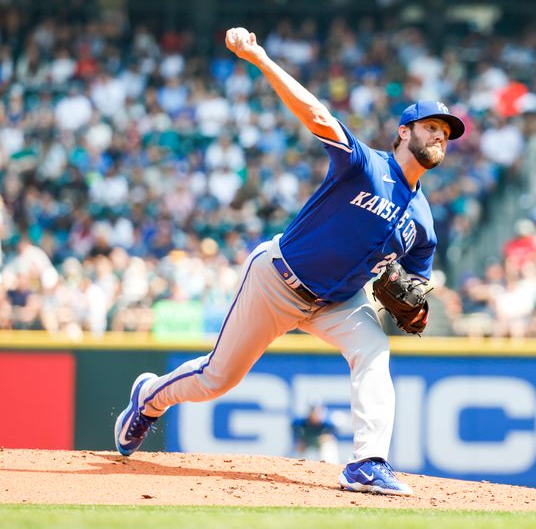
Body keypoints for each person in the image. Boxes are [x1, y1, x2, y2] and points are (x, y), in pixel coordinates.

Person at [113, 27, 465, 496]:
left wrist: (413, 307)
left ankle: (366, 463)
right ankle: (149, 398)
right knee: (218, 379)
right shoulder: (366, 165)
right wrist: (260, 58)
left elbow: (416, 287)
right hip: (278, 279)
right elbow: (315, 113)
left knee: (375, 352)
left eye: (444, 134)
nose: (439, 137)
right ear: (404, 132)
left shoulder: (423, 221)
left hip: (340, 301)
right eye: (430, 128)